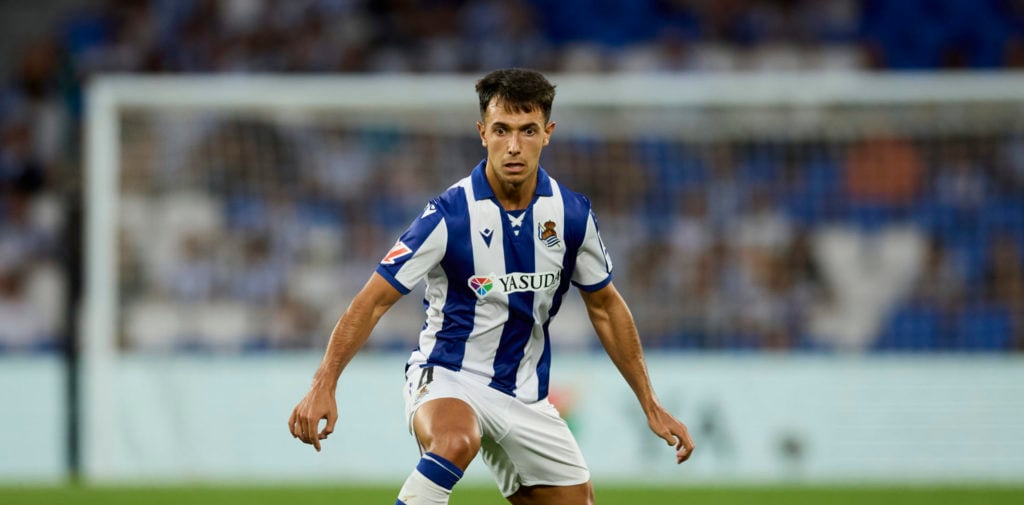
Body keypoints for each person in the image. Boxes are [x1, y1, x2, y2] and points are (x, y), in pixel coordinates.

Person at [288, 68, 695, 505]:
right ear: (482, 133)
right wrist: (323, 383)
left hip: (526, 397)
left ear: (548, 133)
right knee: (456, 441)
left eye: (528, 131)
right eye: (501, 130)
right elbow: (370, 302)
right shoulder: (449, 215)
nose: (514, 146)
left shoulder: (572, 216)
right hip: (448, 375)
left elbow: (605, 307)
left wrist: (650, 403)